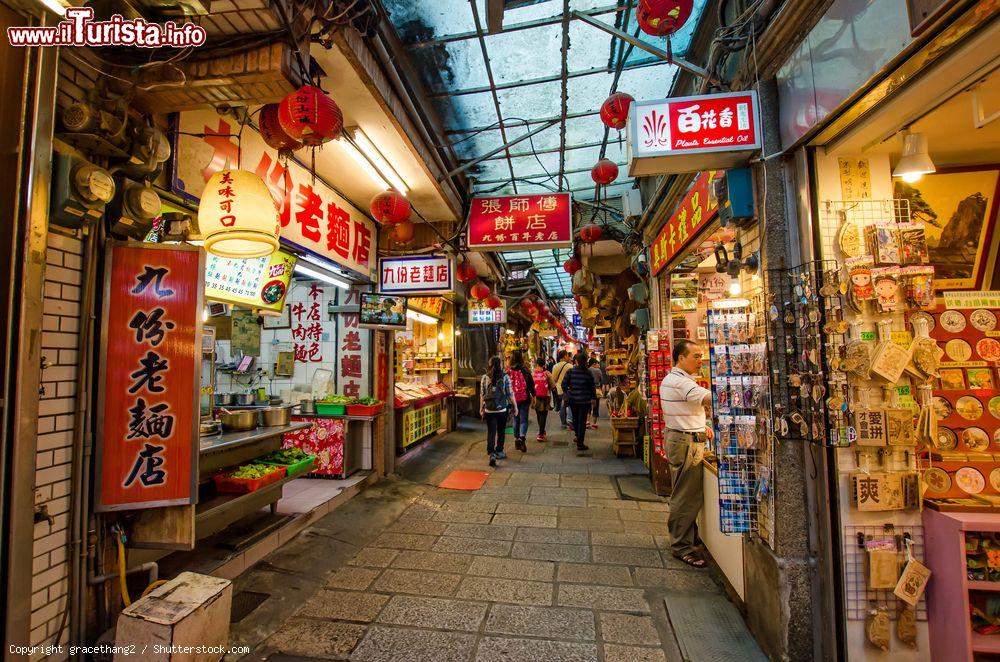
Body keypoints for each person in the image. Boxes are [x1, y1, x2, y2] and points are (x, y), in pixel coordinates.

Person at [661, 339, 715, 568]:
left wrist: (702, 426)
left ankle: (686, 540)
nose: (699, 360)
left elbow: (682, 410)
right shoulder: (680, 382)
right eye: (695, 356)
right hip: (686, 442)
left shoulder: (674, 380)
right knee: (685, 495)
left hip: (682, 437)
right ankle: (682, 546)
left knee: (684, 492)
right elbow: (706, 398)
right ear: (681, 358)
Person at [480, 356, 516, 467]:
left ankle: (491, 453)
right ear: (500, 364)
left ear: (489, 364)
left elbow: (482, 394)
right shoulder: (505, 377)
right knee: (501, 431)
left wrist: (481, 407)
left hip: (489, 408)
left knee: (491, 431)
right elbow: (510, 393)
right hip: (502, 409)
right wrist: (515, 407)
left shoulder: (485, 377)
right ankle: (499, 451)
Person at [563, 352, 597, 452]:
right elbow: (592, 387)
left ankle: (578, 436)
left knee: (575, 418)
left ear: (576, 361)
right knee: (582, 420)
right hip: (585, 400)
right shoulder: (588, 372)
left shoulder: (570, 371)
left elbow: (563, 384)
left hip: (573, 400)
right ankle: (580, 442)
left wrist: (568, 392)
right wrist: (593, 398)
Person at [507, 350, 535, 452]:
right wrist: (534, 395)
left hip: (513, 399)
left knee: (515, 419)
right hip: (524, 398)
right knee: (524, 420)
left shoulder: (509, 370)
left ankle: (516, 440)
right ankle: (522, 438)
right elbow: (531, 383)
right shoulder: (525, 369)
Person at [531, 357, 557, 442]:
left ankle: (541, 431)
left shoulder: (532, 374)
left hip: (536, 397)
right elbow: (553, 385)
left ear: (537, 364)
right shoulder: (547, 373)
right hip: (546, 396)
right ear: (544, 364)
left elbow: (530, 386)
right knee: (544, 415)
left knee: (538, 414)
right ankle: (541, 433)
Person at [551, 350, 574, 429]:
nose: (568, 357)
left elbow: (553, 379)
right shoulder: (570, 366)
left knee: (562, 406)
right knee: (571, 405)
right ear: (564, 356)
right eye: (567, 355)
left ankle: (563, 424)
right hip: (569, 389)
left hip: (560, 389)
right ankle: (570, 420)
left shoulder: (555, 366)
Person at [587, 357, 604, 429]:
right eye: (597, 364)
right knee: (596, 407)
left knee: (588, 406)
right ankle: (594, 423)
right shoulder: (598, 371)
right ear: (594, 364)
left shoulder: (586, 370)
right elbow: (602, 380)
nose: (598, 365)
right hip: (596, 390)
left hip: (587, 390)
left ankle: (587, 421)